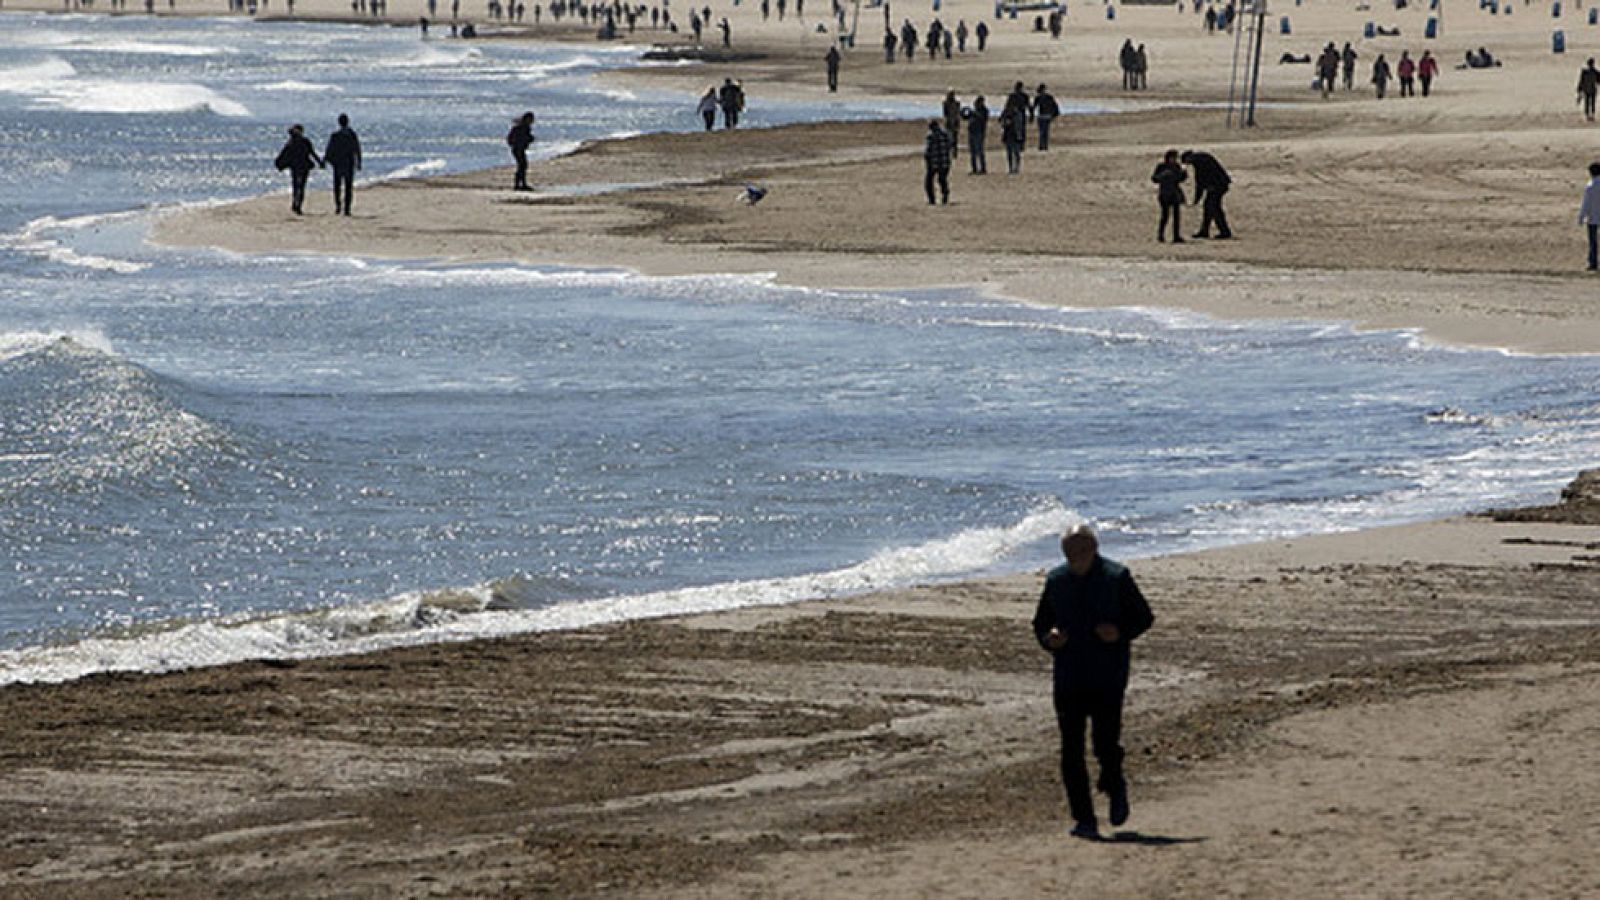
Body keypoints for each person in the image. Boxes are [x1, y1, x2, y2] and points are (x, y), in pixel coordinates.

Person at [1032, 525, 1155, 839]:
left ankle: (1115, 786)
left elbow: (1143, 617)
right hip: (1069, 674)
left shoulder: (1116, 576)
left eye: (1081, 550)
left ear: (1094, 548)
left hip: (1107, 674)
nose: (1076, 557)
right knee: (1070, 749)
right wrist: (1050, 639)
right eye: (1070, 552)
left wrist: (1119, 631)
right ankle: (1084, 818)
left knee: (1105, 742)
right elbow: (1041, 623)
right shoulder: (1057, 580)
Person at [1181, 149, 1232, 239]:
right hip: (1220, 184)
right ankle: (1206, 230)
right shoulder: (1202, 157)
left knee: (1213, 207)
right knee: (1210, 207)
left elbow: (1200, 182)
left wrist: (1196, 200)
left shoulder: (1197, 161)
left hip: (1217, 186)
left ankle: (1224, 231)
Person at [274, 124, 321, 215]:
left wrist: (279, 164)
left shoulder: (291, 142)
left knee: (296, 186)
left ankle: (296, 203)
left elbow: (284, 154)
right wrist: (320, 162)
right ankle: (297, 204)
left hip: (296, 167)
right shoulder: (304, 141)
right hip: (303, 166)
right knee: (301, 186)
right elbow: (312, 153)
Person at [323, 113, 362, 216]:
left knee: (337, 186)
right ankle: (347, 208)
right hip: (348, 163)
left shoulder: (335, 135)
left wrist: (325, 160)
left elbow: (329, 149)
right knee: (348, 186)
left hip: (338, 163)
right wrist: (359, 162)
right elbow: (357, 149)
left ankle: (338, 205)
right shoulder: (352, 135)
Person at [1151, 148, 1186, 243]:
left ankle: (1176, 236)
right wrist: (1163, 175)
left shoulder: (1177, 166)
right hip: (1164, 193)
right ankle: (1161, 235)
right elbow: (1154, 179)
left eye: (1175, 158)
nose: (1174, 160)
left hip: (1174, 193)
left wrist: (1183, 173)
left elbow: (1181, 179)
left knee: (1176, 216)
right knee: (1165, 215)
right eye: (1172, 157)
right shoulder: (1161, 166)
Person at [923, 119, 952, 205]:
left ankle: (932, 199)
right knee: (942, 180)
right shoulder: (945, 134)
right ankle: (945, 195)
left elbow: (928, 150)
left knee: (928, 181)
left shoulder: (931, 136)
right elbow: (950, 146)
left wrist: (927, 160)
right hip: (945, 162)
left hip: (934, 163)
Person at [506, 111, 534, 191]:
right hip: (517, 149)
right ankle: (519, 184)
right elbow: (510, 138)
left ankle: (521, 184)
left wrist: (529, 139)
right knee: (522, 165)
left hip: (520, 149)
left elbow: (527, 137)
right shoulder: (519, 128)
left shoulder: (526, 127)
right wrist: (516, 144)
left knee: (523, 166)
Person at [1580, 162, 1600, 271]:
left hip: (1593, 217)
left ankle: (1593, 263)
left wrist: (1581, 217)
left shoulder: (1590, 186)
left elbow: (1586, 203)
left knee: (1593, 242)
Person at [999, 101, 1025, 174]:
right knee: (1010, 153)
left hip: (1014, 135)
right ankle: (1011, 168)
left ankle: (1016, 168)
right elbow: (1001, 121)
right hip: (1009, 135)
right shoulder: (1007, 113)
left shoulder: (1018, 114)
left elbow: (1020, 126)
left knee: (1015, 152)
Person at [1032, 83, 1059, 151]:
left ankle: (1042, 146)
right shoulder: (1049, 97)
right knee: (1045, 132)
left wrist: (1031, 116)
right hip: (1046, 116)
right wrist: (1054, 115)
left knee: (1042, 131)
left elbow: (1033, 107)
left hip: (1042, 116)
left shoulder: (1038, 98)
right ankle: (1044, 146)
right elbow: (1055, 106)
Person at [965, 95, 988, 174]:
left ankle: (983, 168)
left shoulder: (984, 110)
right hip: (972, 132)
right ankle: (974, 168)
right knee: (972, 152)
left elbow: (982, 119)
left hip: (979, 133)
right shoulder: (974, 111)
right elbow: (965, 117)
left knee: (980, 151)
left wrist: (974, 113)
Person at [942, 90, 962, 159]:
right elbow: (945, 114)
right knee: (948, 139)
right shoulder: (945, 103)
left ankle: (954, 154)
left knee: (954, 140)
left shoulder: (956, 103)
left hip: (954, 123)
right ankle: (949, 153)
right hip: (949, 124)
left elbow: (958, 113)